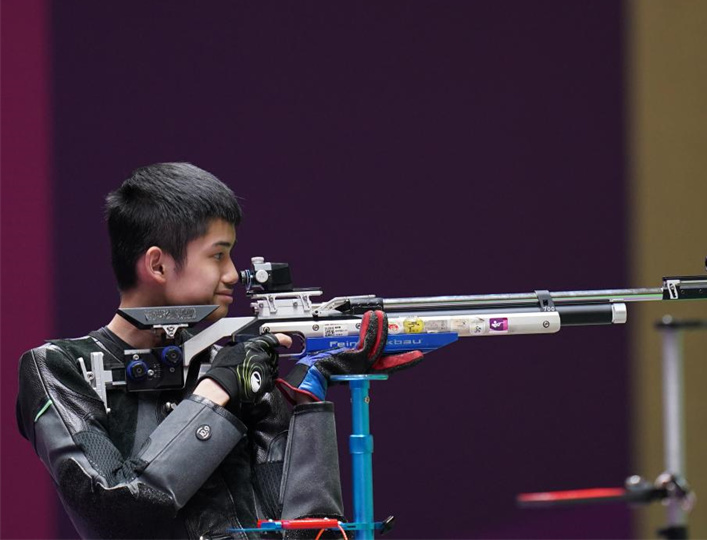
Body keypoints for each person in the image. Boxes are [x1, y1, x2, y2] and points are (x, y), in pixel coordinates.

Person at [16, 163, 422, 539]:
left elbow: (305, 526)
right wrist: (216, 391)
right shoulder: (59, 367)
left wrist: (304, 395)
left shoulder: (229, 366)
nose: (232, 274)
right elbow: (114, 514)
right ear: (157, 266)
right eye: (217, 255)